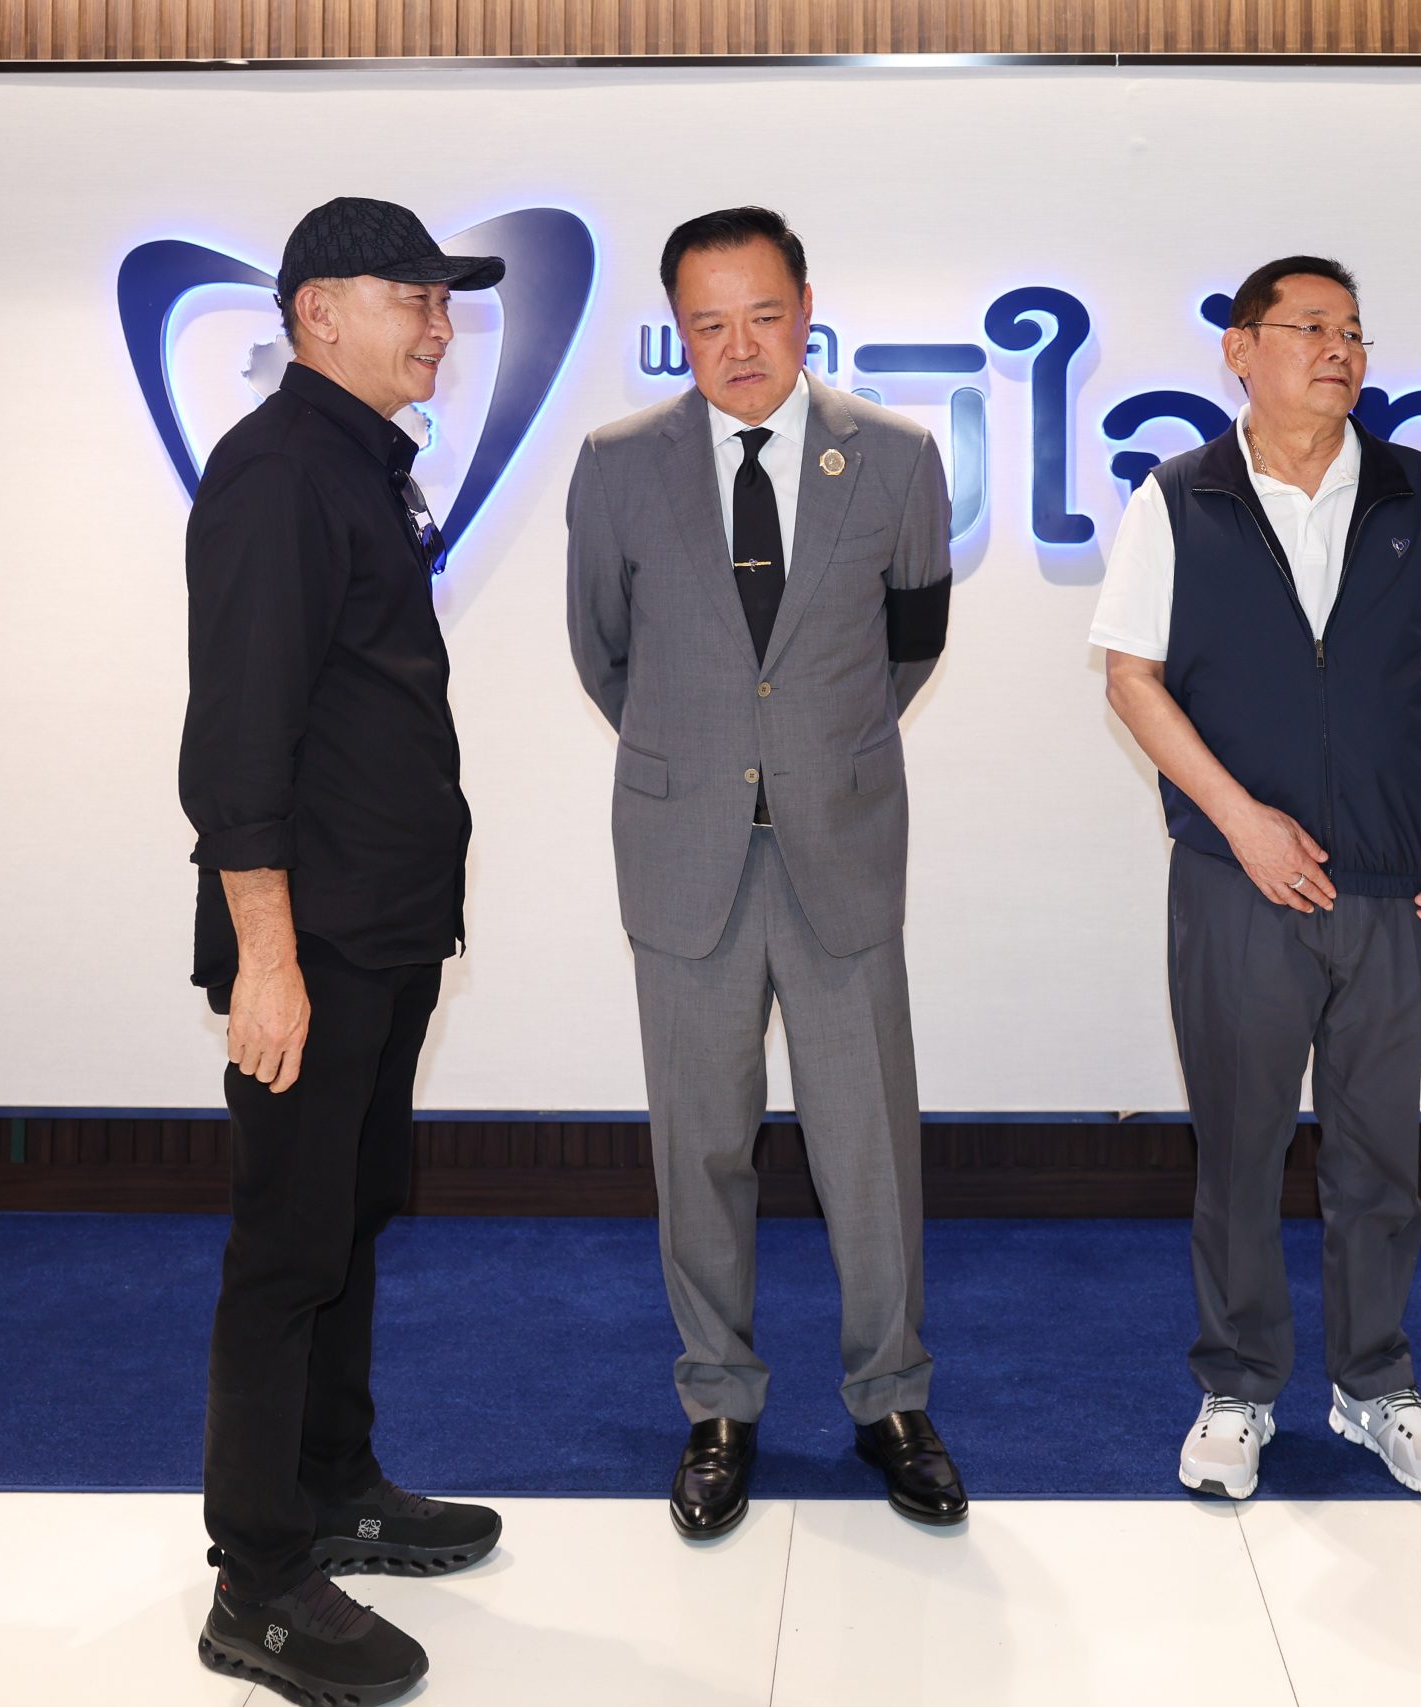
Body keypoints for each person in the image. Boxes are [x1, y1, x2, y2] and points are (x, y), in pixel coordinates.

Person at [564, 206, 965, 1538]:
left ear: (806, 310)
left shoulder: (896, 458)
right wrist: (714, 754)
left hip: (839, 844)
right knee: (698, 1147)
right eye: (708, 324)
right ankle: (719, 1404)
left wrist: (802, 752)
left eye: (764, 316)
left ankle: (891, 1401)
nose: (739, 346)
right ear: (678, 331)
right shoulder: (618, 465)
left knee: (870, 1149)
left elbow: (911, 640)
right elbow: (604, 653)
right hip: (684, 851)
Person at [1092, 255, 1421, 1504]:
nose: (1339, 350)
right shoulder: (1180, 497)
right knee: (1239, 1144)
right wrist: (1242, 823)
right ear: (1240, 348)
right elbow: (1130, 678)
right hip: (1238, 884)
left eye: (1354, 332)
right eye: (1311, 327)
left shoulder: (1417, 489)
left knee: (1380, 1152)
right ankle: (1237, 1386)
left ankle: (1374, 1384)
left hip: (1395, 877)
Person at [179, 196, 507, 1704]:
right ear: (317, 311)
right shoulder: (277, 475)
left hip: (380, 925)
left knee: (353, 1216)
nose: (439, 324)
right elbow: (238, 741)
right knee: (288, 1244)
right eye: (410, 297)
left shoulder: (363, 461)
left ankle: (332, 1486)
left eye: (446, 300)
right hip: (308, 942)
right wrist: (268, 958)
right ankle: (258, 1579)